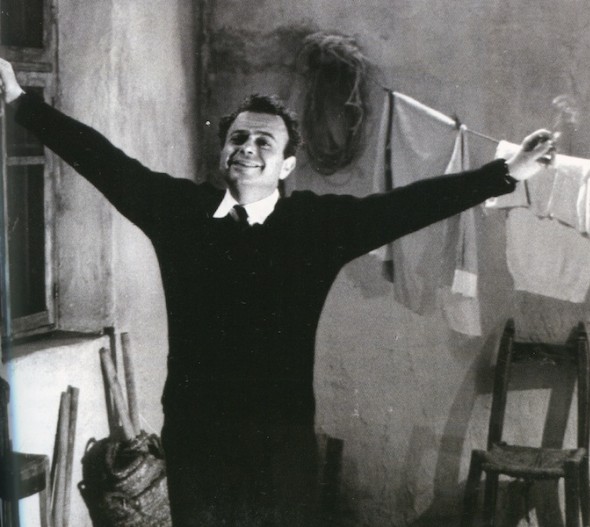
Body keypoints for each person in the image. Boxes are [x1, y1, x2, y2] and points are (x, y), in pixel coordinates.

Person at [0, 58, 554, 526]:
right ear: (224, 151)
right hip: (195, 437)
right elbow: (104, 162)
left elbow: (408, 206)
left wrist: (506, 172)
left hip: (280, 441)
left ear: (287, 165)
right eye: (238, 137)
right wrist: (20, 102)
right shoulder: (180, 213)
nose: (248, 147)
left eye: (264, 141)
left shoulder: (314, 227)